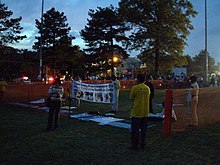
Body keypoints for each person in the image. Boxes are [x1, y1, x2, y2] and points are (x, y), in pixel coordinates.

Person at [129, 74, 151, 150]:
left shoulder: (135, 88)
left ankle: (135, 145)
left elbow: (131, 98)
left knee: (135, 130)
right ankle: (143, 143)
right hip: (145, 111)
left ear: (137, 79)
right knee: (143, 130)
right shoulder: (147, 88)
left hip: (136, 111)